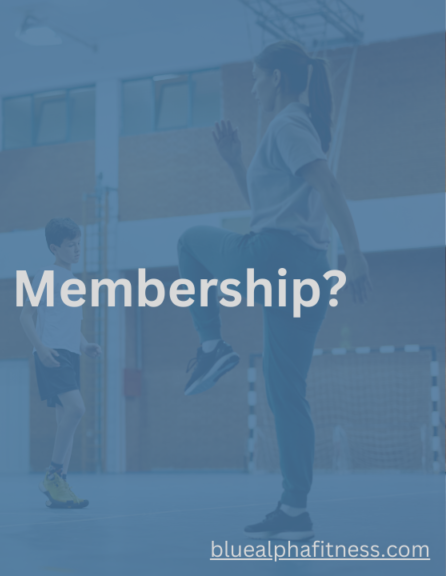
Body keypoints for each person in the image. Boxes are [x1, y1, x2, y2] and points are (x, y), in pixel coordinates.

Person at [177, 39, 372, 540]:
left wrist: (357, 255)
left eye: (255, 77)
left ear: (277, 79)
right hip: (305, 273)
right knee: (286, 393)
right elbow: (269, 211)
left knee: (189, 243)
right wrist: (235, 162)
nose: (253, 85)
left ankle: (211, 345)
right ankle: (294, 508)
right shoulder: (295, 129)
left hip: (274, 261)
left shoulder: (287, 124)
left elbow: (329, 185)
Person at [20, 218, 101, 509]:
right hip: (51, 353)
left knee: (63, 420)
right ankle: (52, 475)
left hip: (70, 353)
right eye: (70, 245)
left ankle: (59, 488)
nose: (77, 249)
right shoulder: (44, 276)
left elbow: (67, 323)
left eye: (79, 243)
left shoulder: (74, 282)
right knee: (77, 409)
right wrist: (40, 348)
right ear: (55, 248)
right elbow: (26, 315)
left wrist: (84, 343)